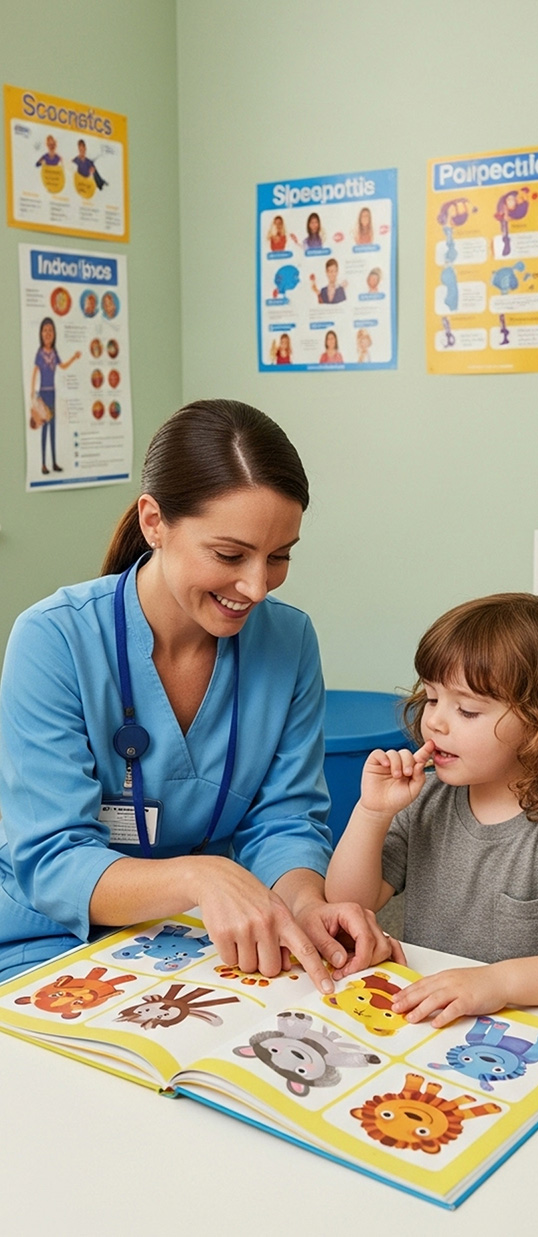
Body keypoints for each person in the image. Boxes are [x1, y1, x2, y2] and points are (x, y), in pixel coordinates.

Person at [0, 399, 399, 984]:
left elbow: (284, 821)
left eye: (280, 556)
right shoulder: (53, 638)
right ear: (153, 522)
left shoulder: (288, 640)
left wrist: (307, 906)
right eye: (230, 555)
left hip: (200, 938)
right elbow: (53, 861)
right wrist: (199, 875)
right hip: (50, 937)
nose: (257, 586)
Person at [326, 593, 538, 1028]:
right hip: (432, 1019)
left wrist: (498, 982)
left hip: (527, 1030)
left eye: (467, 709)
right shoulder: (428, 800)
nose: (435, 722)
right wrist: (371, 812)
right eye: (433, 697)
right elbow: (348, 903)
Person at [29, 316, 81, 475]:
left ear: (54, 333)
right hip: (43, 393)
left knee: (53, 429)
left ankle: (54, 462)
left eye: (50, 330)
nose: (48, 333)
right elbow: (35, 372)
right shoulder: (40, 353)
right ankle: (43, 464)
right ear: (41, 333)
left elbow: (63, 366)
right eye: (45, 330)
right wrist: (32, 392)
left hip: (53, 392)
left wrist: (74, 358)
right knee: (44, 429)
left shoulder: (54, 352)